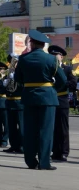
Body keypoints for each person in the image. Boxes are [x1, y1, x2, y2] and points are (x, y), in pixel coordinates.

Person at [15, 30, 66, 170]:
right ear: (43, 45)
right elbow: (63, 80)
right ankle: (44, 163)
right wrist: (52, 88)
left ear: (31, 43)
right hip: (47, 97)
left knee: (30, 130)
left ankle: (31, 161)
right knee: (46, 130)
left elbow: (17, 79)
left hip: (29, 96)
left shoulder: (23, 59)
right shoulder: (51, 59)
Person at [48, 45, 75, 162]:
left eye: (56, 55)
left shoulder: (67, 69)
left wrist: (62, 82)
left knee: (63, 128)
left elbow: (73, 84)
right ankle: (55, 151)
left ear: (61, 57)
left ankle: (64, 152)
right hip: (50, 101)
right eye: (52, 55)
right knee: (52, 128)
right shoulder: (48, 69)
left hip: (62, 100)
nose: (54, 57)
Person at [3, 54, 23, 154]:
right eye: (12, 62)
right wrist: (5, 83)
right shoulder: (8, 73)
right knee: (11, 126)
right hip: (9, 102)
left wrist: (16, 79)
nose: (13, 64)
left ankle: (23, 146)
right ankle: (13, 145)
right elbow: (4, 89)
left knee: (22, 126)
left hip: (19, 102)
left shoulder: (22, 72)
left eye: (15, 62)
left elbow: (24, 85)